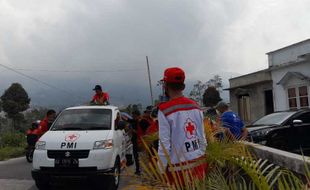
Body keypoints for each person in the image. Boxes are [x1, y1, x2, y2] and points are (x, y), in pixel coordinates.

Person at [157, 67, 207, 185]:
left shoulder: (164, 110)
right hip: (199, 164)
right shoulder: (196, 107)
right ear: (182, 85)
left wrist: (161, 169)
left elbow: (164, 145)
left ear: (165, 86)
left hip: (178, 171)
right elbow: (203, 138)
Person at [126, 110, 142, 175]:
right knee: (136, 156)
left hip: (139, 141)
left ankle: (139, 170)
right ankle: (138, 170)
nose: (132, 116)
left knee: (138, 156)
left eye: (134, 115)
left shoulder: (140, 122)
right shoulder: (134, 121)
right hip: (135, 141)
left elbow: (139, 132)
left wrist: (132, 130)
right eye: (132, 115)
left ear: (137, 115)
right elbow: (129, 120)